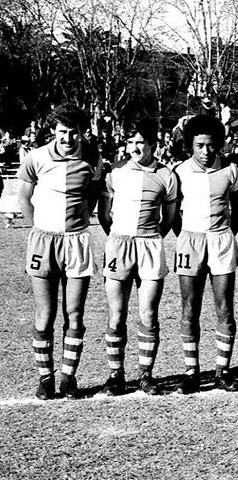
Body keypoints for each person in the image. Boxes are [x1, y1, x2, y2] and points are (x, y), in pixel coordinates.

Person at [17, 104, 99, 400]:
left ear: (81, 133)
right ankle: (45, 378)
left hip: (76, 242)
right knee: (45, 313)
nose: (67, 139)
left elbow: (91, 197)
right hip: (43, 241)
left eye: (73, 133)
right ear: (54, 131)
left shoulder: (91, 158)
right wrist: (36, 231)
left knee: (74, 313)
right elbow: (24, 198)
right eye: (62, 132)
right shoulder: (35, 158)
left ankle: (68, 378)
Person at [97, 119, 179, 395]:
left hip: (150, 246)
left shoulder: (166, 175)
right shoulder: (115, 173)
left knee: (148, 313)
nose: (134, 147)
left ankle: (146, 374)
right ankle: (116, 374)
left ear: (153, 145)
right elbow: (104, 215)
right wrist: (118, 238)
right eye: (130, 142)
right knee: (116, 314)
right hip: (118, 244)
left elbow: (168, 219)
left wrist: (149, 238)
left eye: (140, 142)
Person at [172, 114, 238, 394]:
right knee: (190, 308)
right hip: (191, 241)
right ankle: (192, 371)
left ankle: (222, 371)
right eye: (200, 145)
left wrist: (225, 232)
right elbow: (174, 215)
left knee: (224, 308)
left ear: (220, 145)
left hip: (221, 240)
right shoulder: (178, 172)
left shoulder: (230, 171)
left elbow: (237, 208)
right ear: (190, 144)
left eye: (211, 145)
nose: (206, 151)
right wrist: (188, 236)